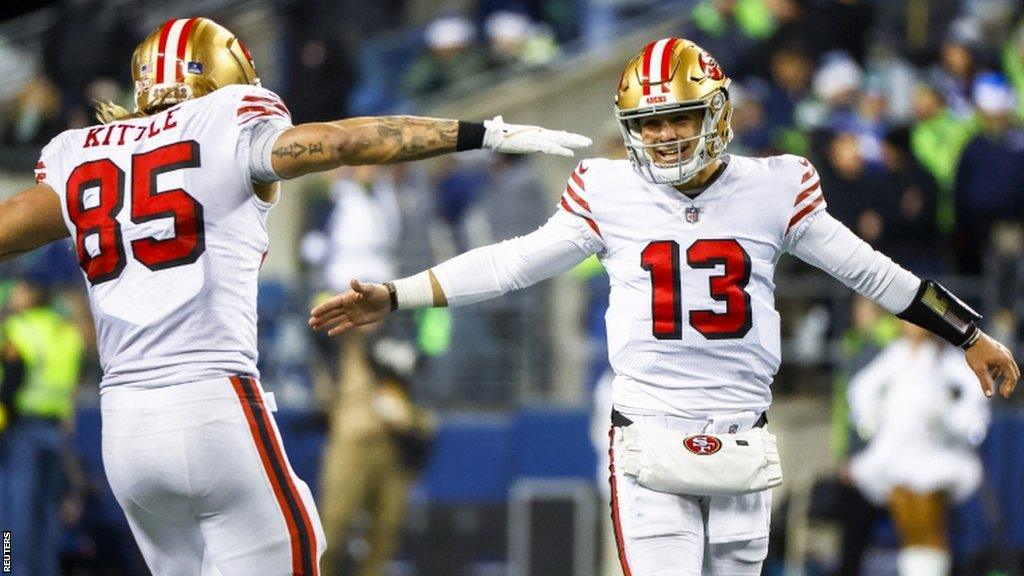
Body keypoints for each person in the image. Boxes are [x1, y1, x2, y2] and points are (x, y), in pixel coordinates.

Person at [309, 38, 1021, 575]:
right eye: (647, 124)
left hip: (742, 435)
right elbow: (512, 261)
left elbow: (874, 273)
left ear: (715, 111)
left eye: (678, 118)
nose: (664, 136)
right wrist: (398, 294)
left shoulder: (776, 186)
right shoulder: (605, 189)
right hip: (648, 437)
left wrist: (967, 333)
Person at [0, 17, 589, 576]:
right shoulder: (225, 120)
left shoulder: (82, 152)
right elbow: (343, 142)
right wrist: (478, 132)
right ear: (221, 76)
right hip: (212, 404)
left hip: (123, 431)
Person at [847, 322, 991, 576]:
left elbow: (976, 397)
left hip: (933, 456)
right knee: (909, 528)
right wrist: (872, 420)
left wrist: (949, 418)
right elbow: (860, 390)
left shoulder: (946, 359)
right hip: (894, 455)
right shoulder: (894, 355)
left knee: (930, 527)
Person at [0, 271, 85, 576]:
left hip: (21, 430)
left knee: (13, 512)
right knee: (48, 510)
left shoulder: (20, 329)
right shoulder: (68, 333)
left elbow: (10, 384)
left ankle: (10, 569)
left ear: (33, 292)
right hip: (56, 432)